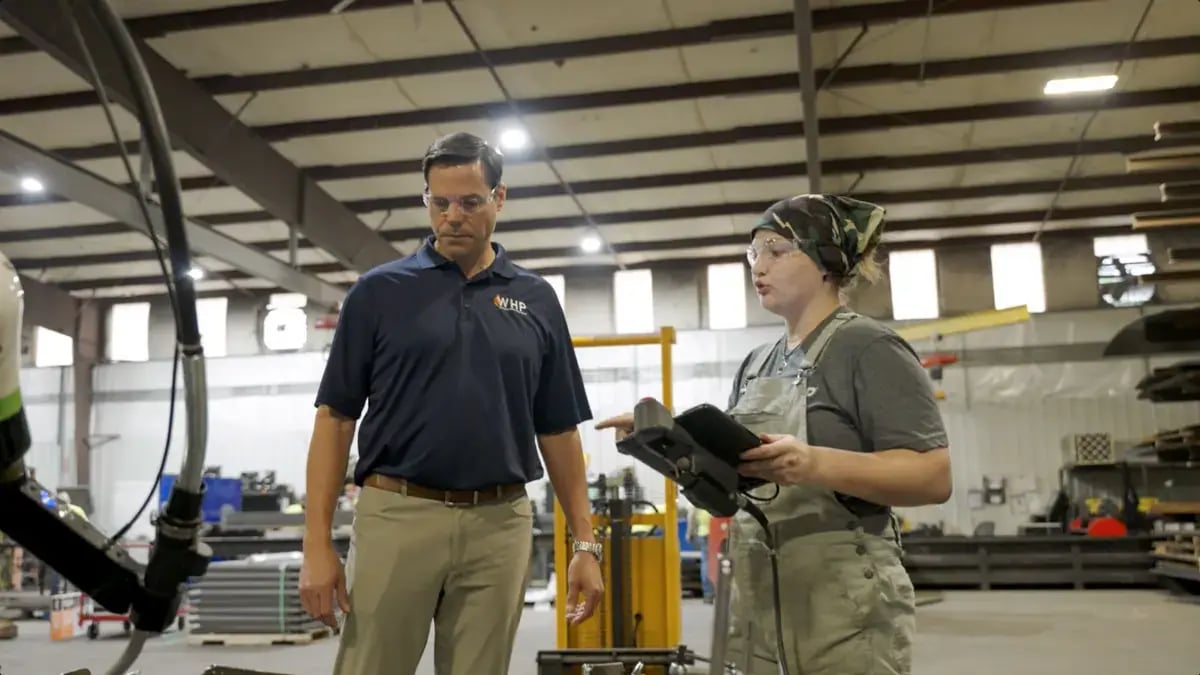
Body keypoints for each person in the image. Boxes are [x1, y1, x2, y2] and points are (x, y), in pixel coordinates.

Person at [597, 194, 951, 675]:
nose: (758, 266)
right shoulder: (756, 363)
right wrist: (670, 447)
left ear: (826, 263)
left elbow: (932, 477)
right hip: (759, 591)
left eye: (777, 250)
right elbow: (733, 492)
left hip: (841, 597)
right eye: (753, 253)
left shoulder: (867, 347)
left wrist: (814, 464)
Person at [300, 131, 605, 675]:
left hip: (500, 524)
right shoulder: (378, 293)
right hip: (398, 515)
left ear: (500, 198)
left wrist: (586, 543)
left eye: (469, 202)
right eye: (439, 203)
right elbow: (336, 418)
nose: (452, 217)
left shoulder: (536, 300)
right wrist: (316, 544)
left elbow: (558, 429)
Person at [685, 505, 713, 602]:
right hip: (718, 530)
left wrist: (689, 533)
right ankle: (720, 591)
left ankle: (708, 593)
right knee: (719, 562)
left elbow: (691, 516)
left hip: (704, 532)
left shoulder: (696, 495)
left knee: (706, 562)